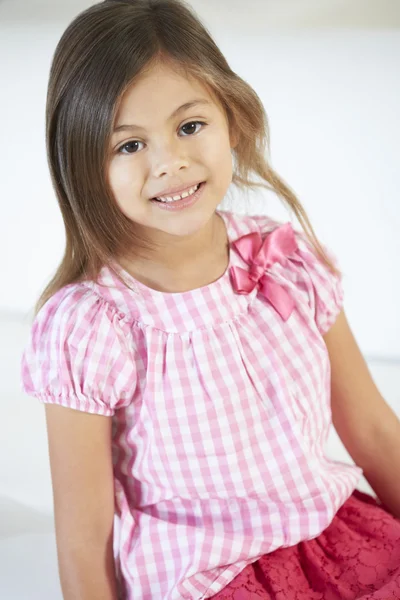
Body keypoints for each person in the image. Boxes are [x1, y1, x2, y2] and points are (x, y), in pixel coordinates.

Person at [20, 0, 400, 598]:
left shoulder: (283, 259)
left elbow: (373, 429)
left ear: (233, 120)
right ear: (84, 166)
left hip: (331, 536)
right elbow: (82, 538)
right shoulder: (93, 325)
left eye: (190, 126)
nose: (170, 162)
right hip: (212, 580)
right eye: (128, 145)